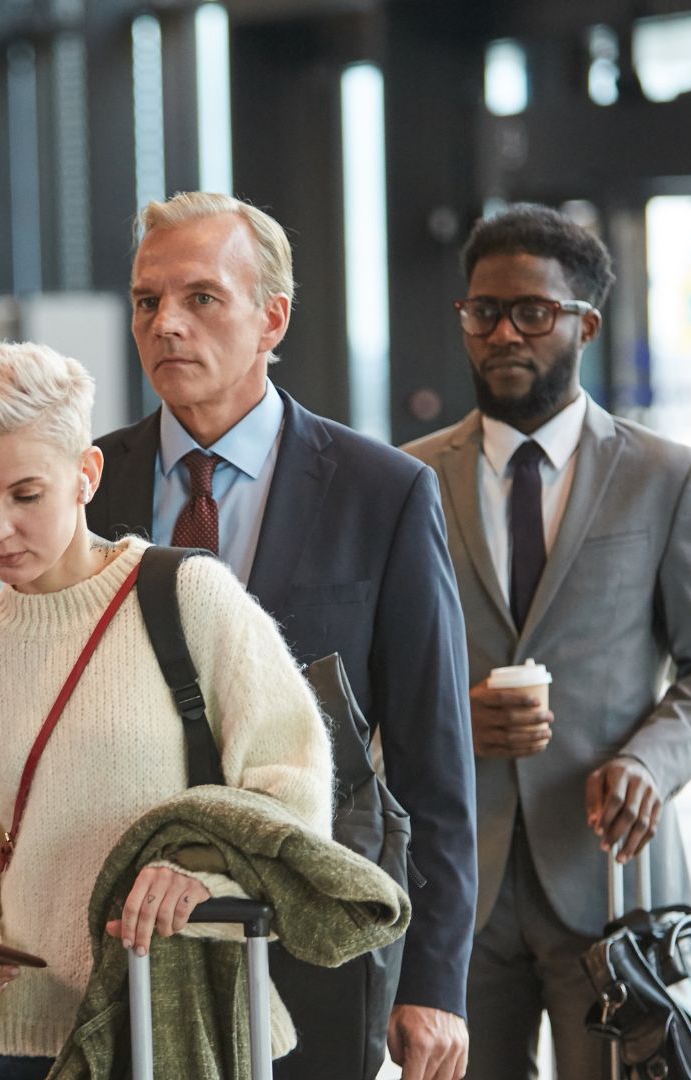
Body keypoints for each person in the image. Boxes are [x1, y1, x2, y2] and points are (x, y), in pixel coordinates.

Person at [87, 191, 477, 1080]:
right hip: (127, 931)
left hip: (311, 936)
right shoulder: (91, 488)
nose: (166, 325)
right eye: (148, 301)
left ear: (273, 318)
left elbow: (434, 763)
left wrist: (437, 980)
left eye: (200, 299)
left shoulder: (384, 494)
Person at [401, 203, 691, 1080]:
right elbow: (375, 677)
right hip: (456, 886)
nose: (503, 333)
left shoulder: (665, 478)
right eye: (483, 312)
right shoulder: (405, 480)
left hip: (611, 880)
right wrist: (449, 717)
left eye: (533, 312)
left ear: (585, 323)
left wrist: (651, 764)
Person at [0, 341, 333, 1080]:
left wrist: (206, 872)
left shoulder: (189, 600)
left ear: (85, 476)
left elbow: (295, 791)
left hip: (187, 1023)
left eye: (25, 494)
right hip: (24, 1050)